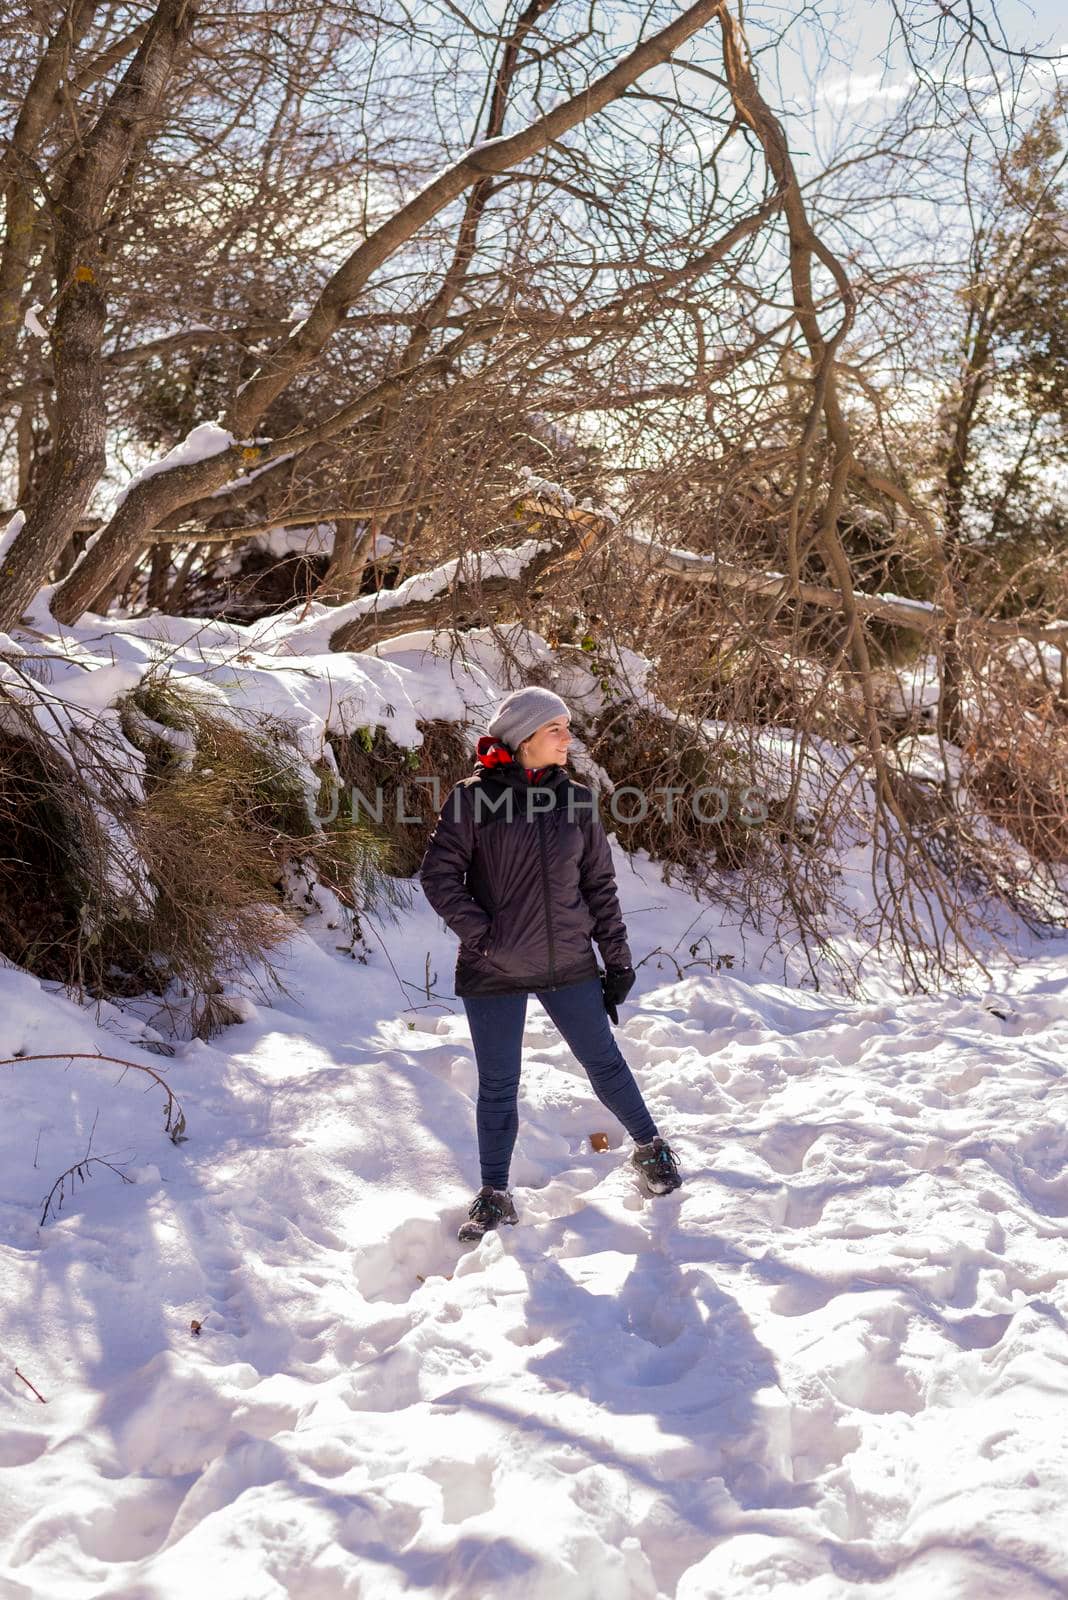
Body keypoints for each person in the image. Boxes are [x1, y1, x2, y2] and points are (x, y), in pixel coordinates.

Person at [418, 685, 683, 1242]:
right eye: (556, 730)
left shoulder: (577, 801)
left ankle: (651, 1151)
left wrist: (617, 960)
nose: (569, 739)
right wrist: (486, 937)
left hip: (569, 961)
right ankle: (495, 1194)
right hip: (494, 967)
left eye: (567, 728)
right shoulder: (473, 799)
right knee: (498, 1083)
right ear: (524, 740)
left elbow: (599, 886)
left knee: (605, 1063)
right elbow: (439, 877)